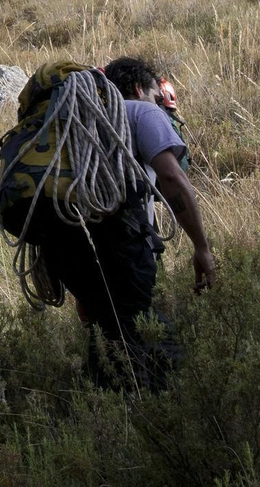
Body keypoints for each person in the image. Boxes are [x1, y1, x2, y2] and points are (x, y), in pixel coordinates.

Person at [29, 56, 214, 388]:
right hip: (123, 247)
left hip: (68, 250)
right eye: (159, 97)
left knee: (109, 332)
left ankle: (106, 418)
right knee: (148, 333)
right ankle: (170, 408)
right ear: (140, 89)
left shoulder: (78, 123)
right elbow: (172, 179)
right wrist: (201, 248)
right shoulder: (143, 112)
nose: (162, 106)